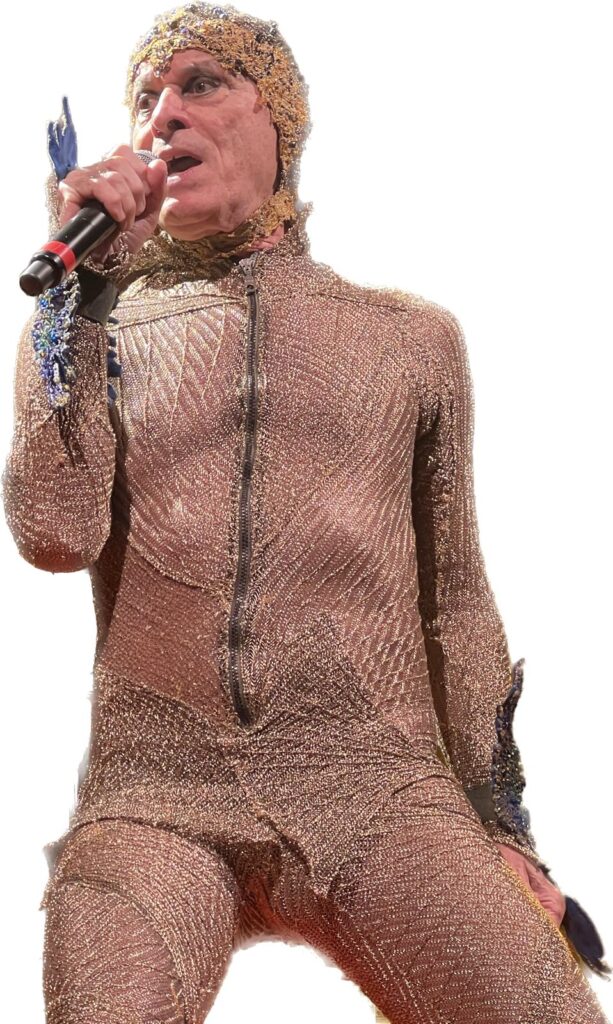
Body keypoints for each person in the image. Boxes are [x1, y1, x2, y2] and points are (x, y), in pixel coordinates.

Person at [2, 3, 610, 1022]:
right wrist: (80, 306)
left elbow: (456, 602)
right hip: (156, 798)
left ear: (279, 121)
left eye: (201, 84)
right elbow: (54, 536)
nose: (162, 115)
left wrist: (502, 826)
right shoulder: (87, 329)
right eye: (144, 97)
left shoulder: (406, 339)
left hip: (372, 783)